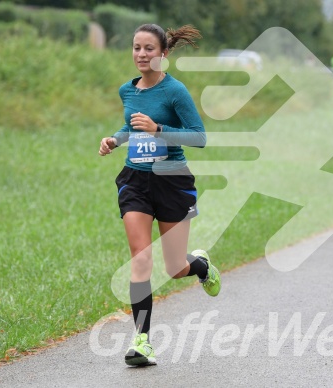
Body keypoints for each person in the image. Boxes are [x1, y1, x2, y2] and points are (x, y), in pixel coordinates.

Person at [98, 23, 221, 366]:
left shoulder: (175, 91)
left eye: (149, 49)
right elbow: (129, 126)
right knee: (140, 258)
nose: (141, 54)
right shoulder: (128, 90)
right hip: (135, 180)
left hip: (171, 181)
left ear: (164, 54)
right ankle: (141, 340)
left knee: (174, 266)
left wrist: (159, 130)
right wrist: (115, 139)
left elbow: (199, 137)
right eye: (136, 48)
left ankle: (200, 267)